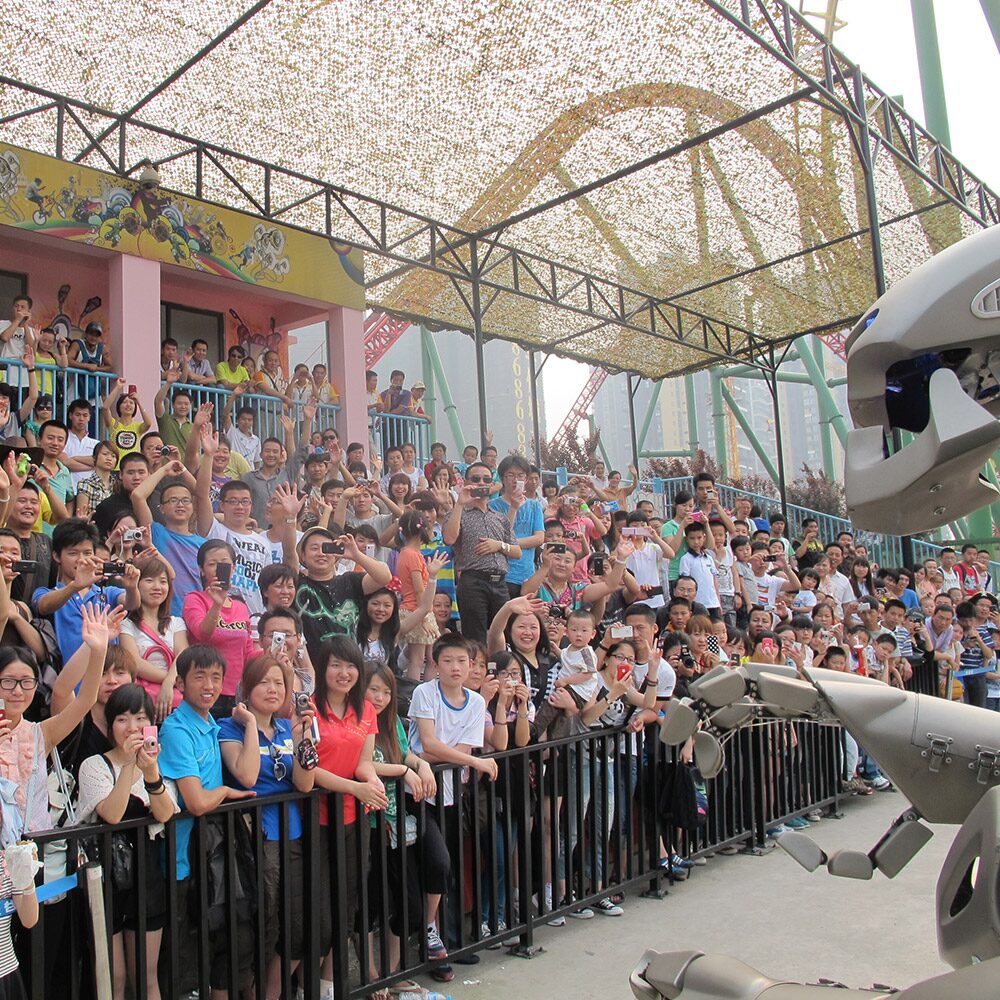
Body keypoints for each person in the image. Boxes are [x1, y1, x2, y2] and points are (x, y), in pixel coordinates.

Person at [157, 645, 257, 997]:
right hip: (183, 860)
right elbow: (197, 801)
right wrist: (225, 794)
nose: (210, 685)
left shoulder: (212, 724)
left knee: (225, 942)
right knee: (184, 955)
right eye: (199, 676)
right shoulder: (175, 729)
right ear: (181, 682)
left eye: (216, 677)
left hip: (211, 853)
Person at [218, 653, 315, 998]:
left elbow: (304, 783)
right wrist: (249, 726)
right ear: (246, 688)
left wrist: (305, 739)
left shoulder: (288, 727)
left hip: (293, 833)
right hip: (254, 837)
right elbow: (244, 775)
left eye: (279, 683)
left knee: (295, 924)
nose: (272, 689)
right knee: (264, 923)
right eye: (264, 682)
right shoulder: (228, 728)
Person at [76, 683, 178, 1000]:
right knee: (113, 978)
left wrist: (150, 773)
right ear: (110, 724)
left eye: (139, 718)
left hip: (146, 876)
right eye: (122, 719)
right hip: (105, 877)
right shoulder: (94, 765)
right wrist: (132, 764)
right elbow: (112, 814)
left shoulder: (155, 765)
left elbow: (164, 814)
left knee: (146, 977)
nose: (131, 727)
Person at [408, 634, 498, 980]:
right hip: (419, 792)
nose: (456, 667)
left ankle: (436, 937)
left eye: (463, 661)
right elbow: (427, 745)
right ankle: (429, 932)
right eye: (448, 661)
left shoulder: (476, 702)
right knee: (438, 862)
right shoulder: (424, 693)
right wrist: (470, 762)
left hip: (450, 794)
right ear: (436, 663)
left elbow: (449, 749)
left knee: (443, 868)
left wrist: (453, 757)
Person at [310, 636, 387, 995]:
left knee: (346, 906)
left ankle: (329, 984)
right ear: (322, 668)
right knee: (320, 911)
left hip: (353, 821)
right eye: (336, 665)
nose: (344, 673)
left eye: (351, 665)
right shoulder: (309, 709)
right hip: (314, 822)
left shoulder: (366, 710)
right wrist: (356, 788)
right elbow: (310, 772)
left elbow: (364, 763)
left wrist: (371, 783)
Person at [363, 661, 446, 979]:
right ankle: (372, 978)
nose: (380, 697)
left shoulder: (391, 722)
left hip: (397, 825)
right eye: (373, 690)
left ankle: (392, 973)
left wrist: (420, 766)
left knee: (411, 906)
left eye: (386, 691)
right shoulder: (359, 721)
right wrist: (404, 771)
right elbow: (363, 764)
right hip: (370, 825)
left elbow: (404, 753)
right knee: (369, 908)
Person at [196, 428, 298, 616]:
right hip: (219, 612)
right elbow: (201, 496)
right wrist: (209, 456)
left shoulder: (262, 542)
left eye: (244, 502)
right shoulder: (213, 530)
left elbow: (270, 580)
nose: (239, 507)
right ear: (222, 505)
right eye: (232, 501)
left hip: (255, 617)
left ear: (251, 506)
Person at [32, 518, 140, 665]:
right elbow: (44, 606)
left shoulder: (106, 593)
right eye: (73, 553)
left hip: (106, 680)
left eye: (87, 553)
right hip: (66, 683)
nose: (82, 560)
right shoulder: (46, 592)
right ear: (56, 556)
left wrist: (132, 587)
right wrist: (75, 586)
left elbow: (132, 603)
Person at [442, 461, 520, 643]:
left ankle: (498, 670)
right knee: (475, 639)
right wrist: (460, 504)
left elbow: (516, 551)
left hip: (500, 583)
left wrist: (499, 545)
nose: (481, 483)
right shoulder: (457, 512)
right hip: (473, 582)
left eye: (486, 479)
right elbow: (449, 539)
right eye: (475, 479)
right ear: (466, 482)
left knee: (504, 637)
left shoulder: (499, 517)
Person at [293, 527, 392, 667]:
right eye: (314, 548)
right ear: (302, 555)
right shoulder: (296, 583)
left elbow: (384, 577)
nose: (321, 553)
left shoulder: (349, 581)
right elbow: (289, 554)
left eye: (326, 548)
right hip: (309, 668)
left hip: (346, 666)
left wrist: (356, 555)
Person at [182, 539, 255, 718]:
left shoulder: (241, 607)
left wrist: (270, 652)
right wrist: (216, 605)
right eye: (212, 564)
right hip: (205, 691)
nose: (218, 569)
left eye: (224, 564)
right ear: (201, 569)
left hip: (236, 694)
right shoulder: (194, 599)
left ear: (234, 568)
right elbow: (202, 633)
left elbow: (248, 652)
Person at [119, 558, 188, 721]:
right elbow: (134, 662)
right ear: (136, 583)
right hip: (142, 703)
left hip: (175, 701)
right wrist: (171, 681)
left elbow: (183, 656)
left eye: (163, 581)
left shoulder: (176, 622)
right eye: (149, 580)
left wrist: (169, 683)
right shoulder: (126, 624)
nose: (157, 587)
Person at [131, 459, 204, 612]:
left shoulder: (203, 544)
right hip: (165, 614)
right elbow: (138, 495)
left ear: (192, 507)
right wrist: (165, 469)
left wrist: (184, 469)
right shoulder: (156, 533)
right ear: (162, 508)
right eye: (173, 500)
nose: (180, 505)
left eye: (185, 500)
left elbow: (202, 494)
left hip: (197, 614)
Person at [488, 455, 545, 599]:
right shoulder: (492, 506)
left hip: (527, 574)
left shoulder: (534, 506)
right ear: (502, 478)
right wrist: (513, 508)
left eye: (520, 475)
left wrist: (509, 545)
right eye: (510, 475)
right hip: (503, 575)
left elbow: (539, 538)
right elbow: (500, 536)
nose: (515, 480)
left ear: (526, 479)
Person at [102, 379, 153, 466]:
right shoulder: (113, 424)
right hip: (116, 467)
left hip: (133, 467)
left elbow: (148, 423)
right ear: (119, 406)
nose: (128, 405)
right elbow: (105, 407)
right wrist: (118, 387)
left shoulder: (138, 426)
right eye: (125, 402)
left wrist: (139, 402)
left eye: (131, 403)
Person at [73, 441, 117, 520]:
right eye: (105, 454)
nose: (109, 458)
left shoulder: (118, 485)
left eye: (113, 456)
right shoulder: (85, 484)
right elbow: (81, 516)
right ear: (94, 457)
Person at [61, 398, 99, 489]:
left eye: (85, 415)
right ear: (70, 415)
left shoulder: (96, 444)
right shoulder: (62, 439)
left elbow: (99, 461)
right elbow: (66, 462)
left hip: (90, 491)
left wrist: (75, 458)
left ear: (89, 417)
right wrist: (92, 467)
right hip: (68, 490)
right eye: (78, 415)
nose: (81, 419)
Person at [223, 384, 262, 469]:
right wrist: (234, 395)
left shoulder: (256, 440)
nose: (246, 422)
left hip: (249, 476)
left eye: (249, 420)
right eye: (243, 419)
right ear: (237, 420)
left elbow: (257, 462)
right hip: (234, 473)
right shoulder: (232, 433)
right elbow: (225, 415)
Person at [153, 374, 194, 455]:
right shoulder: (165, 419)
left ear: (191, 406)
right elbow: (158, 401)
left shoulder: (193, 427)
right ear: (173, 405)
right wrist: (168, 383)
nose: (183, 406)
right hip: (167, 466)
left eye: (186, 404)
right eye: (179, 403)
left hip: (185, 467)